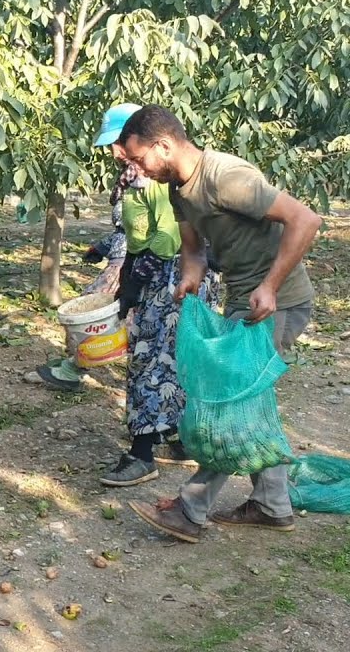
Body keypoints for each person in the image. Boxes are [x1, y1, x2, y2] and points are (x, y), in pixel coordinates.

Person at [118, 105, 322, 542]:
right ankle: (272, 505)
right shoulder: (177, 190)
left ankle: (190, 510)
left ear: (164, 145)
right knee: (246, 402)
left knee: (228, 407)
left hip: (276, 303)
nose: (134, 168)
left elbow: (306, 219)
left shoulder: (226, 177)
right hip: (243, 300)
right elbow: (192, 248)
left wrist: (270, 285)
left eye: (138, 159)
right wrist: (190, 278)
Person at [99, 106, 220, 487]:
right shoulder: (134, 178)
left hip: (177, 275)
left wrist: (137, 276)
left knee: (153, 360)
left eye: (121, 145)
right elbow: (137, 233)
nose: (117, 153)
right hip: (166, 273)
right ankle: (182, 436)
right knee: (172, 358)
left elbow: (170, 240)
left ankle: (142, 453)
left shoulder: (156, 178)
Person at [28, 200, 127, 391]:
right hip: (134, 271)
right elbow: (114, 239)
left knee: (96, 321)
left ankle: (72, 369)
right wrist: (96, 250)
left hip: (124, 273)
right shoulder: (125, 231)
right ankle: (74, 365)